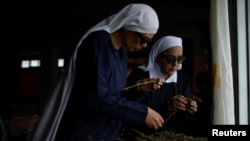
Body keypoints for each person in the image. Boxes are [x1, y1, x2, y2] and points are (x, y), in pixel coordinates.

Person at [30, 3, 164, 141]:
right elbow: (96, 96)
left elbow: (113, 94)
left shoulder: (122, 51)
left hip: (104, 131)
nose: (144, 46)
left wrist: (137, 87)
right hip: (85, 131)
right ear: (129, 27)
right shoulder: (99, 42)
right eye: (143, 40)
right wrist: (142, 113)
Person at [120, 35, 198, 140]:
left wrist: (189, 107)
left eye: (179, 59)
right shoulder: (142, 75)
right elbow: (132, 104)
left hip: (170, 135)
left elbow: (186, 118)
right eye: (170, 59)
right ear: (158, 56)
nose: (175, 64)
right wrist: (168, 105)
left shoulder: (182, 79)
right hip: (141, 135)